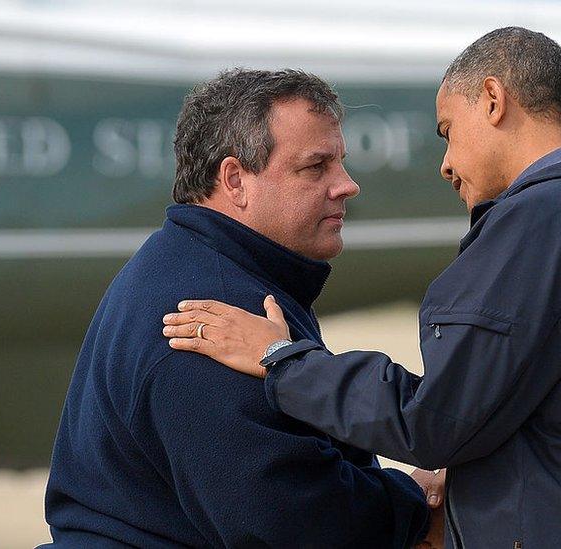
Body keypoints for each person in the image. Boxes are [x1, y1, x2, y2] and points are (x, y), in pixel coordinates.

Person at [163, 28, 561, 548]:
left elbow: (432, 422)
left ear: (493, 101)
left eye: (448, 131)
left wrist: (283, 360)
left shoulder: (540, 223)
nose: (446, 163)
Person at [41, 68, 434, 548]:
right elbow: (290, 524)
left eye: (341, 164)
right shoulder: (209, 313)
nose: (346, 185)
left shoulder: (199, 268)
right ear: (235, 180)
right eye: (316, 167)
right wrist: (416, 506)